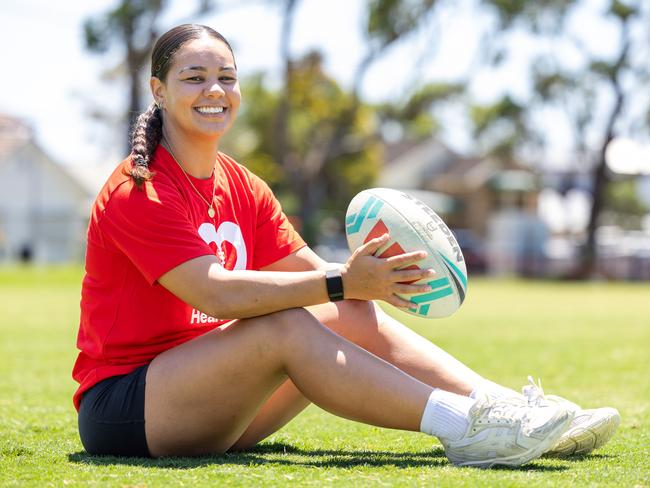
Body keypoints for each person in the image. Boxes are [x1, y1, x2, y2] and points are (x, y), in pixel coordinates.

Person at [72, 24, 619, 468]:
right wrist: (339, 280)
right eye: (195, 77)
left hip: (212, 400)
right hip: (128, 409)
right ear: (159, 90)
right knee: (287, 323)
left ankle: (504, 410)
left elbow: (332, 291)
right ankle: (466, 428)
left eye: (227, 77)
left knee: (346, 309)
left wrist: (374, 279)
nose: (215, 91)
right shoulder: (138, 190)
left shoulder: (243, 185)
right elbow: (214, 293)